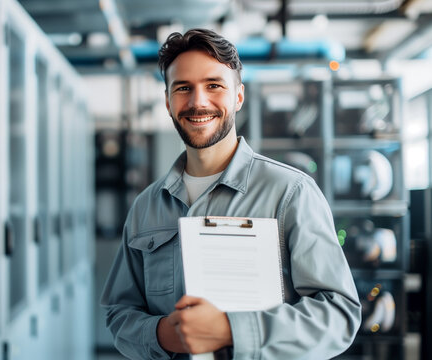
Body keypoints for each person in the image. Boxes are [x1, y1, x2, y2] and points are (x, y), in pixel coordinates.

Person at [100, 28, 361, 359]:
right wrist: (163, 336)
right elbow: (119, 314)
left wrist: (229, 330)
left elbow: (338, 316)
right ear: (168, 101)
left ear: (238, 96)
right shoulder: (146, 207)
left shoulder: (291, 194)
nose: (198, 102)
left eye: (214, 86)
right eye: (183, 88)